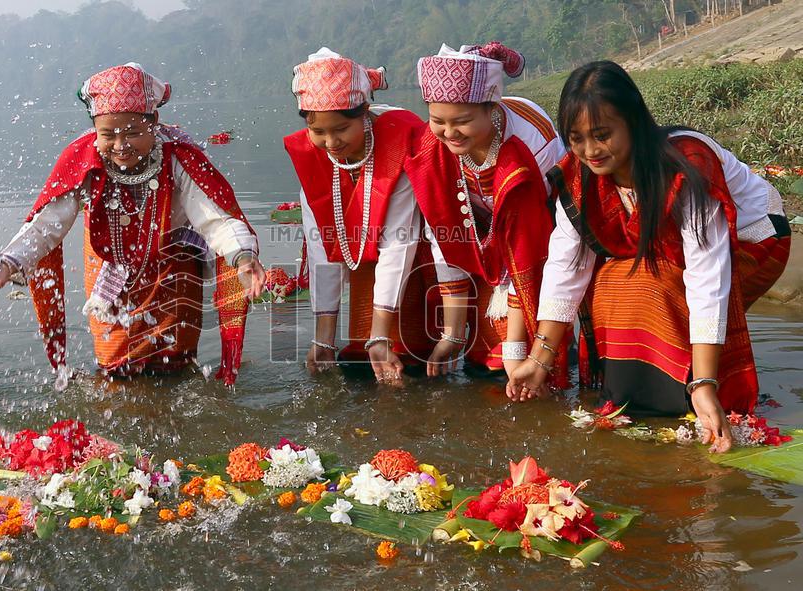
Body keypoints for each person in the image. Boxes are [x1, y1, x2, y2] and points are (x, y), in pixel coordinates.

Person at [508, 61, 791, 453]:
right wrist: (540, 359)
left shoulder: (685, 165)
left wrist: (705, 383)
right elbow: (567, 265)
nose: (590, 151)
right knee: (609, 282)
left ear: (634, 122)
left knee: (651, 286)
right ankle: (641, 401)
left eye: (602, 135)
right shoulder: (580, 174)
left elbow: (707, 274)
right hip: (664, 252)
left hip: (752, 239)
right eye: (576, 139)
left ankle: (695, 395)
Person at [0, 63, 264, 386]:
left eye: (133, 133)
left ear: (154, 122)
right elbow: (46, 225)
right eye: (108, 135)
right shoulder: (84, 160)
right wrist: (9, 262)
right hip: (108, 263)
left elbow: (216, 218)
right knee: (114, 368)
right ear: (96, 130)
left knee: (175, 362)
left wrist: (242, 257)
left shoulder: (177, 157)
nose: (121, 145)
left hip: (173, 264)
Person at [405, 43, 569, 387]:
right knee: (480, 361)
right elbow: (444, 232)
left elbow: (527, 240)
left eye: (462, 122)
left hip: (540, 233)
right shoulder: (433, 149)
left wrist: (515, 347)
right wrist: (452, 333)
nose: (449, 133)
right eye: (438, 121)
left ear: (492, 107)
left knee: (513, 358)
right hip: (479, 232)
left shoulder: (529, 143)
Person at [284, 48, 438, 383]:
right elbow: (323, 247)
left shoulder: (397, 143)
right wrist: (323, 338)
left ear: (365, 112)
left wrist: (380, 336)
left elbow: (399, 242)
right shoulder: (314, 156)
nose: (331, 142)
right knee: (361, 364)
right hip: (359, 249)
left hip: (415, 248)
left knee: (410, 355)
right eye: (318, 131)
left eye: (341, 129)